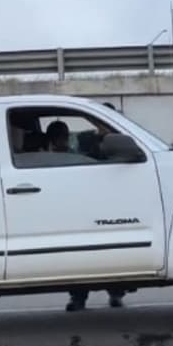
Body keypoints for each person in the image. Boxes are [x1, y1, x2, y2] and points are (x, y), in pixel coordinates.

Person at [58, 113, 127, 311]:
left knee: (113, 255)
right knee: (82, 256)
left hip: (111, 202)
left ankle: (116, 294)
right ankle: (78, 297)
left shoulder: (122, 143)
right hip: (86, 200)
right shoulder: (86, 141)